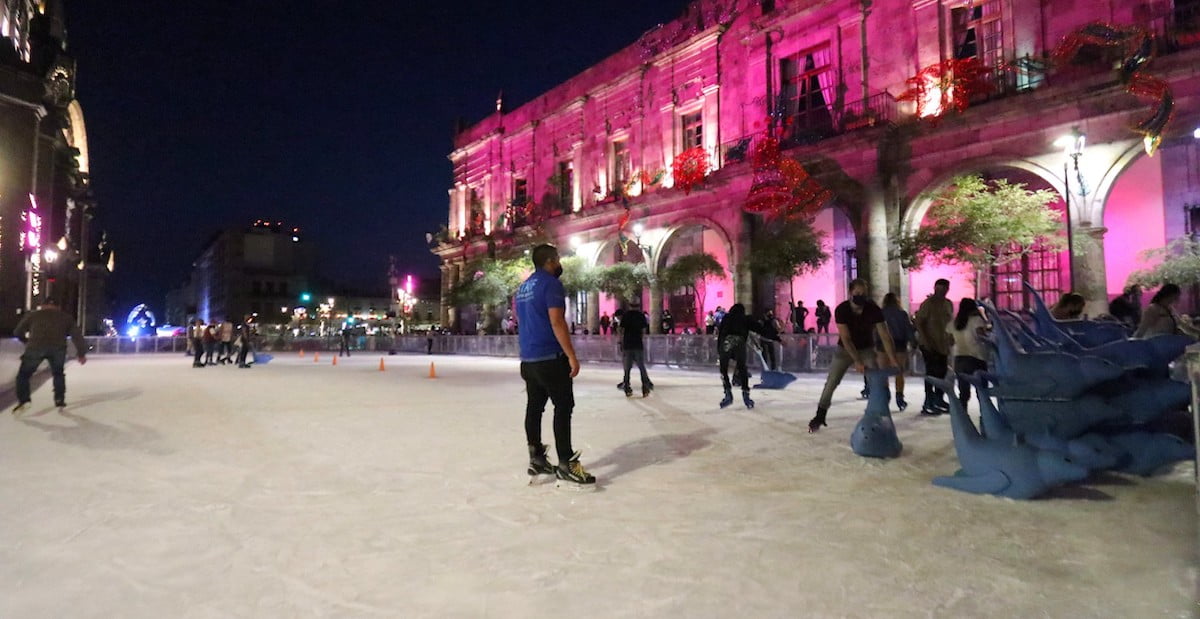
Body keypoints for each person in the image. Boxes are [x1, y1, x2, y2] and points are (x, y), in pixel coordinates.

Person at [515, 244, 594, 486]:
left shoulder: (523, 288)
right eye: (557, 259)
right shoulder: (551, 284)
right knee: (563, 406)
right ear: (550, 261)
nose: (559, 263)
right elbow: (557, 321)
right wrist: (571, 355)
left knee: (534, 407)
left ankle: (536, 457)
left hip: (528, 359)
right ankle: (566, 462)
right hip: (550, 357)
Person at [808, 280, 899, 432]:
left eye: (863, 294)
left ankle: (881, 413)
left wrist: (893, 359)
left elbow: (885, 335)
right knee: (832, 381)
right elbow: (846, 338)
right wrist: (857, 361)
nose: (861, 297)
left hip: (866, 348)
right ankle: (820, 415)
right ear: (850, 293)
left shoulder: (873, 309)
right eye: (857, 294)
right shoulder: (842, 310)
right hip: (845, 350)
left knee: (877, 381)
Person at [11, 298, 88, 411]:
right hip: (58, 349)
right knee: (58, 374)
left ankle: (24, 400)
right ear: (58, 306)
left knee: (24, 375)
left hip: (35, 347)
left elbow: (17, 332)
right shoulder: (66, 317)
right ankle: (59, 400)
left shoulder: (33, 315)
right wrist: (81, 353)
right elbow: (77, 336)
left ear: (42, 305)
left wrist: (26, 341)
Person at [914, 278, 953, 416]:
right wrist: (925, 340)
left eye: (943, 289)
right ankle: (928, 401)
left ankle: (939, 398)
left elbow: (949, 323)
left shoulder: (948, 304)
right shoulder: (928, 304)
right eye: (938, 289)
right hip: (929, 344)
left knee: (942, 372)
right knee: (931, 373)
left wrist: (951, 338)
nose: (941, 292)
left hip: (942, 344)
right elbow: (919, 322)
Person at [716, 303, 766, 409]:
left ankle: (728, 392)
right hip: (739, 343)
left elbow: (721, 333)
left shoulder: (727, 317)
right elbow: (760, 329)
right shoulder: (745, 319)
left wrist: (719, 350)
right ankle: (746, 394)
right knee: (742, 368)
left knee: (723, 370)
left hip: (726, 343)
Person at [947, 298, 990, 410]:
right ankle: (985, 415)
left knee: (963, 391)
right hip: (977, 357)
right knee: (981, 390)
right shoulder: (977, 320)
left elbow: (950, 341)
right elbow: (982, 336)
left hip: (959, 358)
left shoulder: (954, 323)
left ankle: (963, 416)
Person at [880, 292, 914, 411]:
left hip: (882, 346)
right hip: (900, 345)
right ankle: (900, 398)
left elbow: (875, 331)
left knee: (883, 373)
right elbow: (908, 330)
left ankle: (884, 397)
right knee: (899, 373)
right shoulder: (902, 314)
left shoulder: (881, 313)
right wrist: (913, 343)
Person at [1134, 283, 1200, 338]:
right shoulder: (1152, 309)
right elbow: (1143, 328)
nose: (1178, 298)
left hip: (1168, 342)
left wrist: (1197, 332)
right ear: (1171, 294)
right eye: (1177, 295)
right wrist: (1134, 342)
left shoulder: (1170, 309)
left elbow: (1182, 325)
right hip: (1156, 343)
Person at [619, 300, 653, 397]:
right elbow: (643, 330)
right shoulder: (641, 316)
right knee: (641, 367)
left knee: (627, 368)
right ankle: (645, 387)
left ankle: (627, 387)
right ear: (638, 306)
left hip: (628, 344)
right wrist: (640, 338)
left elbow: (621, 330)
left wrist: (621, 342)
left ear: (630, 305)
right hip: (638, 344)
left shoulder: (626, 316)